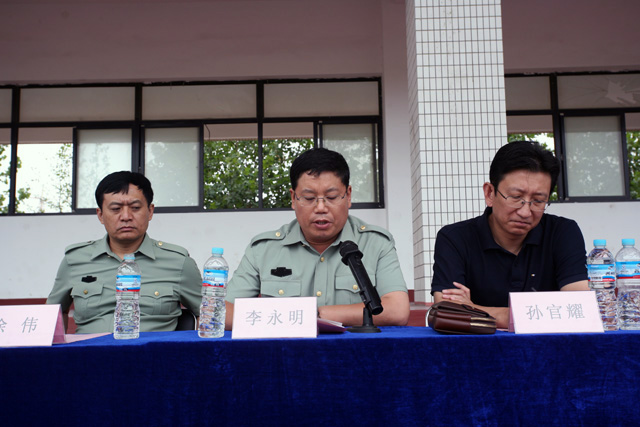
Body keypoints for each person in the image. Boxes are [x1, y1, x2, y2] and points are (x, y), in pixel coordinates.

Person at [225, 148, 410, 328]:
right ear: (293, 198)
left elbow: (397, 310)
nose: (321, 207)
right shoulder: (263, 250)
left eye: (332, 197)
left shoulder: (376, 244)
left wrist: (318, 316)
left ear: (348, 196)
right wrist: (301, 319)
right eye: (309, 198)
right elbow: (223, 311)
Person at [431, 141, 589, 329]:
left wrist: (474, 309)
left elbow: (579, 308)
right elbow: (449, 312)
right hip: (480, 345)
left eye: (538, 201)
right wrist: (546, 313)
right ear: (490, 193)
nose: (525, 212)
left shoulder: (563, 232)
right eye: (516, 197)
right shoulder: (455, 238)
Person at [47, 171, 202, 333]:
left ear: (150, 211)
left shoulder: (178, 262)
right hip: (90, 349)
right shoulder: (74, 260)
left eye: (135, 208)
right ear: (100, 215)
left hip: (152, 349)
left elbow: (209, 312)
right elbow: (52, 314)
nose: (126, 216)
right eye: (116, 209)